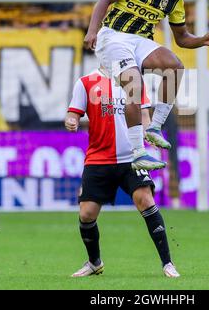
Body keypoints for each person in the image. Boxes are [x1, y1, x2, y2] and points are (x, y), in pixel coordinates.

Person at [83, 0, 209, 171]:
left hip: (140, 42)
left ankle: (154, 128)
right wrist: (92, 31)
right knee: (134, 87)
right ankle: (138, 153)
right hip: (113, 37)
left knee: (175, 66)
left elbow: (182, 38)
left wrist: (201, 40)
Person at [65, 67, 180, 278]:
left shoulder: (133, 80)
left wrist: (150, 134)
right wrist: (71, 121)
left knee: (145, 199)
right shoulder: (86, 82)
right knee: (87, 213)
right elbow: (72, 114)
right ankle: (94, 262)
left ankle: (168, 263)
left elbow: (144, 116)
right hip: (99, 159)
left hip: (131, 157)